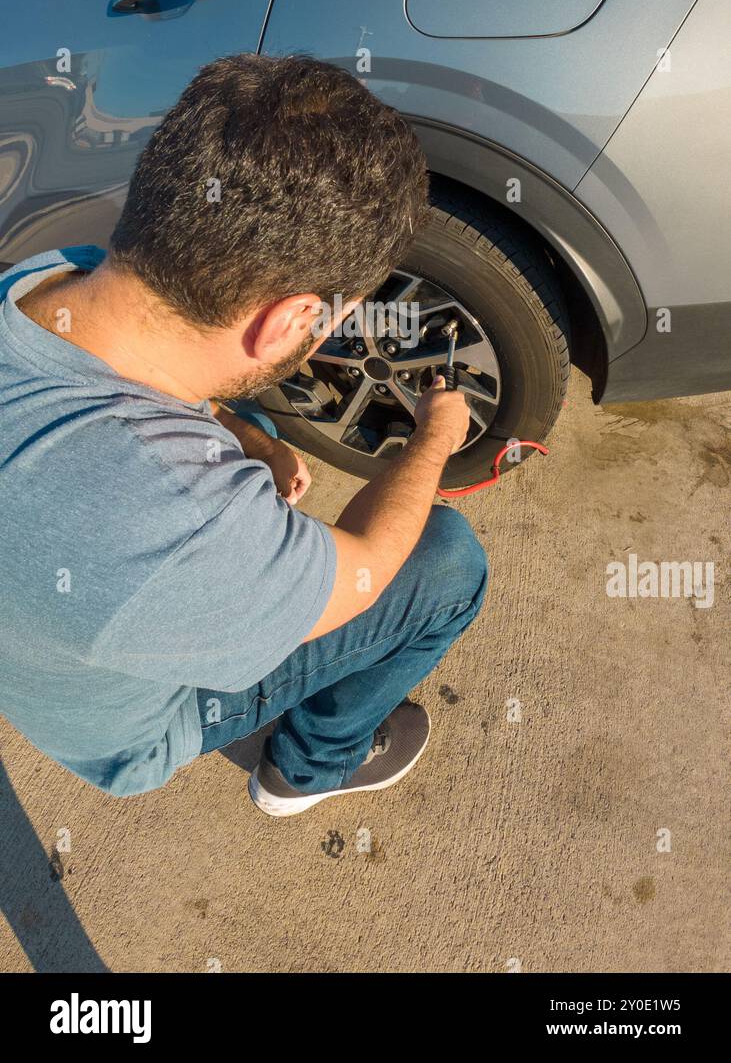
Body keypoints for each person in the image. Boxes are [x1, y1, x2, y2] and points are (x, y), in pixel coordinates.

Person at [0, 54, 488, 815]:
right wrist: (434, 438)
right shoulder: (185, 518)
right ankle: (307, 768)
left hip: (40, 645)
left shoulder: (39, 280)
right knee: (447, 560)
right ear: (290, 319)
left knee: (249, 417)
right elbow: (365, 568)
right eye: (329, 320)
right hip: (127, 732)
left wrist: (247, 438)